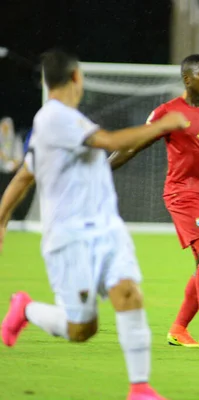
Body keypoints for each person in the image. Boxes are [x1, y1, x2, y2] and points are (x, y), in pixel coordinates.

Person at [0, 49, 187, 400]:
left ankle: (140, 388)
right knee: (82, 328)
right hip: (70, 239)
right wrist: (162, 125)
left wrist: (1, 219)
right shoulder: (54, 118)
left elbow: (25, 175)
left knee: (129, 293)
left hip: (106, 229)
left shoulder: (63, 122)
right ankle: (24, 307)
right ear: (76, 78)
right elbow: (111, 142)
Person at [108, 54, 199, 349]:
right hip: (182, 193)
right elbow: (134, 146)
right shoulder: (167, 113)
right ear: (187, 79)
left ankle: (178, 329)